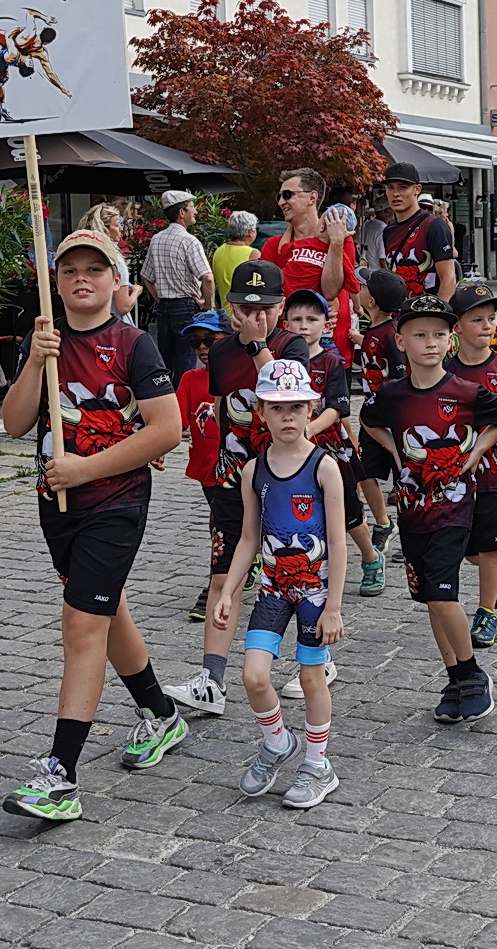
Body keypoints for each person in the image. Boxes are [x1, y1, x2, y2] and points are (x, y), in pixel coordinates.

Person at [0, 230, 186, 822]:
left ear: (116, 282)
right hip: (55, 504)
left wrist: (85, 469)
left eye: (95, 270)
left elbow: (165, 431)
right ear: (55, 284)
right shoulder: (44, 344)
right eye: (70, 271)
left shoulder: (134, 345)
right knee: (108, 611)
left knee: (82, 625)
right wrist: (35, 359)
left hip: (116, 501)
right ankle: (160, 714)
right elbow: (13, 423)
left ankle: (61, 777)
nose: (82, 279)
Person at [163, 259, 312, 718]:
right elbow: (220, 404)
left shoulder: (293, 346)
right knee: (222, 575)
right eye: (246, 307)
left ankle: (315, 662)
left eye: (266, 307)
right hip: (232, 480)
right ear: (230, 308)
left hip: (286, 481)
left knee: (298, 574)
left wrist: (259, 346)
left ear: (281, 307)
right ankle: (211, 677)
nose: (256, 315)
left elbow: (282, 393)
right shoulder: (223, 352)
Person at [362, 294, 497, 724]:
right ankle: (453, 676)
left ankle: (472, 674)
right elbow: (369, 420)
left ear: (451, 341)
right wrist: (392, 449)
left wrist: (478, 450)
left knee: (444, 592)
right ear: (401, 340)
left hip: (454, 508)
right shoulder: (391, 395)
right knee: (429, 596)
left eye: (439, 334)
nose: (430, 342)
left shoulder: (466, 391)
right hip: (412, 510)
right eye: (420, 334)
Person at [210, 357, 348, 809]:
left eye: (295, 407)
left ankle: (317, 764)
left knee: (311, 678)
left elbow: (337, 543)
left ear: (311, 409)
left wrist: (333, 607)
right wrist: (229, 590)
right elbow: (249, 537)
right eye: (276, 407)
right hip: (272, 590)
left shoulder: (325, 467)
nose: (287, 417)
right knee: (253, 676)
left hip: (315, 595)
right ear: (261, 412)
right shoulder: (254, 471)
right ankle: (275, 742)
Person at [284, 288, 380, 653]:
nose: (304, 326)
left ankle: (371, 557)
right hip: (291, 451)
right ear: (285, 322)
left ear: (326, 324)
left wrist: (309, 428)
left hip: (329, 448)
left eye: (312, 319)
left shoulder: (331, 362)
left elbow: (337, 408)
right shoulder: (279, 361)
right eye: (297, 319)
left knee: (349, 514)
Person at [446, 284, 497, 649]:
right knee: (467, 547)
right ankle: (496, 575)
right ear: (456, 328)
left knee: (491, 546)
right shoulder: (445, 371)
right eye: (477, 319)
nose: (487, 325)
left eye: (492, 318)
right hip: (453, 475)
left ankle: (487, 612)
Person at [261, 168, 359, 362]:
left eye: (287, 195)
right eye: (279, 196)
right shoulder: (275, 246)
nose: (281, 202)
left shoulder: (341, 239)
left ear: (312, 197)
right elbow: (268, 298)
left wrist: (336, 243)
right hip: (286, 351)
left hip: (332, 351)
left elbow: (331, 290)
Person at [352, 268, 408, 589]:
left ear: (370, 301)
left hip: (391, 421)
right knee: (365, 471)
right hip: (371, 416)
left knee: (404, 478)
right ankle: (384, 523)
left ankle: (411, 530)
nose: (358, 288)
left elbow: (399, 375)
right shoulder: (374, 331)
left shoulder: (391, 335)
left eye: (362, 287)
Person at [176, 310, 227, 623]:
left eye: (210, 339)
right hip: (206, 469)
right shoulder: (190, 379)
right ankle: (244, 565)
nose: (203, 347)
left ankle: (216, 586)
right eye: (197, 342)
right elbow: (177, 420)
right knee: (225, 524)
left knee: (221, 526)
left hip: (237, 467)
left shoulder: (243, 375)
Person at [141, 190, 215, 382]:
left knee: (165, 361)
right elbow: (207, 277)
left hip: (164, 307)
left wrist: (159, 298)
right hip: (186, 307)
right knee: (186, 361)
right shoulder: (189, 241)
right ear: (181, 212)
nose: (196, 212)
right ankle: (182, 405)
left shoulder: (156, 239)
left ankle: (165, 401)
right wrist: (208, 304)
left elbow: (146, 276)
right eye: (192, 208)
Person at [379, 162, 456, 297]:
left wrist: (440, 315)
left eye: (403, 187)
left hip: (428, 312)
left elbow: (448, 279)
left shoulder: (434, 225)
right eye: (390, 187)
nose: (396, 193)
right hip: (399, 313)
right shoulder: (388, 231)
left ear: (417, 189)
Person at [77, 203, 139, 323]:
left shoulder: (84, 257)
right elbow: (123, 307)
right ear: (105, 229)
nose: (121, 228)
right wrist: (136, 291)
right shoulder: (115, 260)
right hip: (115, 324)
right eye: (117, 225)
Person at [212, 211, 260, 309]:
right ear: (250, 231)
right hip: (243, 312)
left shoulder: (218, 251)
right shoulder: (253, 253)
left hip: (224, 312)